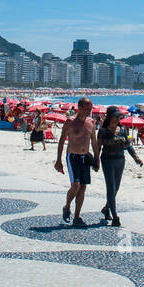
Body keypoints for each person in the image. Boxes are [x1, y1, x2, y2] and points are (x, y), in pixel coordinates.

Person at [54, 97, 99, 227]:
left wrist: (97, 159)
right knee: (76, 185)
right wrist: (58, 160)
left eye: (90, 109)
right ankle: (67, 206)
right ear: (80, 108)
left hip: (85, 158)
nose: (89, 111)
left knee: (83, 187)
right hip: (73, 157)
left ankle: (77, 217)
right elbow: (62, 141)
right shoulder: (70, 123)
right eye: (86, 108)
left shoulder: (91, 123)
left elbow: (94, 143)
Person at [95, 106, 142, 227]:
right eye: (116, 116)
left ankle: (106, 208)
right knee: (111, 188)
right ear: (110, 117)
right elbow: (98, 147)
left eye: (119, 117)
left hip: (120, 160)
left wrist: (136, 157)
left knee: (116, 188)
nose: (118, 119)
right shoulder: (103, 131)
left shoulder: (122, 130)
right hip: (107, 160)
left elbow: (128, 145)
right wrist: (96, 161)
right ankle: (115, 216)